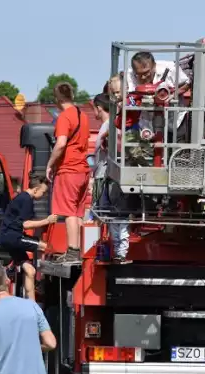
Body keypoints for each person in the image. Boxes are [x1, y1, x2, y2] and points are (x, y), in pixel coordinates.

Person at [45, 82, 91, 264]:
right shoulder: (84, 116)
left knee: (69, 212)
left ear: (57, 99)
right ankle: (80, 250)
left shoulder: (64, 117)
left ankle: (72, 252)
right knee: (78, 213)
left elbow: (61, 143)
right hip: (83, 170)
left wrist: (50, 164)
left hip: (69, 170)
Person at [0, 174, 58, 301]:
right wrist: (47, 220)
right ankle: (42, 281)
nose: (44, 195)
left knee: (29, 270)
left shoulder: (21, 198)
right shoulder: (26, 200)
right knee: (46, 246)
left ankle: (32, 302)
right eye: (43, 192)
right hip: (14, 237)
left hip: (7, 237)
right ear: (36, 190)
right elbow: (26, 224)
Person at [92, 93, 131, 264]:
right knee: (110, 215)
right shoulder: (111, 125)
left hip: (110, 175)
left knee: (115, 215)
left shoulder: (110, 126)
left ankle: (119, 252)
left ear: (99, 108)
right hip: (107, 175)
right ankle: (115, 250)